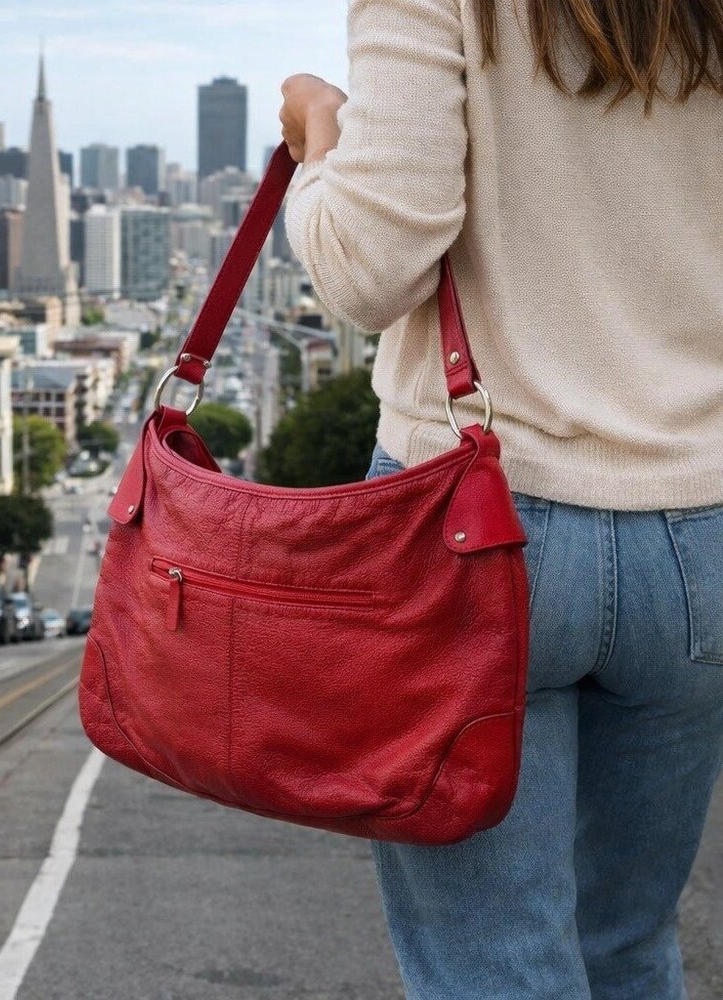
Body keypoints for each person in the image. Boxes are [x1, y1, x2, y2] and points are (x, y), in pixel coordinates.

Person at [277, 2, 723, 997]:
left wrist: (321, 136)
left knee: (493, 969)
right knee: (630, 948)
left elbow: (367, 265)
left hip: (467, 527)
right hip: (700, 535)